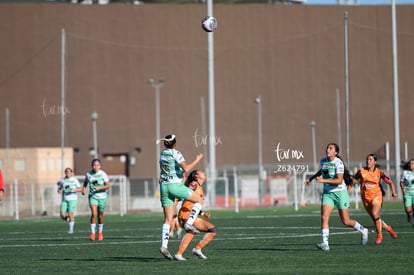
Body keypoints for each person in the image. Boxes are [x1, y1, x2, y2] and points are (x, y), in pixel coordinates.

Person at [304, 143, 368, 251]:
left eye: (330, 148)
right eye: (327, 147)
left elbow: (338, 181)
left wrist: (323, 180)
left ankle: (363, 230)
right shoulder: (323, 161)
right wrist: (311, 178)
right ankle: (325, 244)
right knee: (324, 216)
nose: (327, 149)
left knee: (346, 221)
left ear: (336, 152)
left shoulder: (339, 163)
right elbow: (322, 171)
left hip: (340, 193)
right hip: (328, 193)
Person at [157, 134, 204, 260]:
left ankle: (164, 246)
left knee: (168, 219)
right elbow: (186, 168)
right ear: (175, 144)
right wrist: (197, 160)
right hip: (174, 186)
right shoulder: (175, 153)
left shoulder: (162, 154)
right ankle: (189, 223)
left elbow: (167, 169)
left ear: (165, 144)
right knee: (199, 199)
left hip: (164, 187)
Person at [352, 154, 397, 245]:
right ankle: (388, 228)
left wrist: (393, 192)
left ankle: (379, 235)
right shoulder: (361, 171)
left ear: (375, 162)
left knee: (375, 213)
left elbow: (390, 182)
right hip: (365, 199)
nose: (368, 161)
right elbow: (353, 181)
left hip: (377, 196)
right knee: (375, 218)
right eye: (367, 159)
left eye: (370, 159)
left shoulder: (379, 173)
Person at [174, 170, 216, 261]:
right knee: (192, 231)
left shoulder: (199, 187)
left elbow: (193, 204)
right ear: (196, 176)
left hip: (191, 215)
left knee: (212, 230)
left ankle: (197, 249)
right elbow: (185, 195)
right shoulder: (193, 184)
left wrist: (202, 213)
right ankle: (179, 253)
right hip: (185, 214)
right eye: (201, 172)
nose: (204, 172)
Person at [82, 159, 110, 241]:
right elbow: (85, 182)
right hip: (92, 196)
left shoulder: (103, 174)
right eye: (94, 165)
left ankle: (100, 232)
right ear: (91, 166)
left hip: (102, 197)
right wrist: (83, 188)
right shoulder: (88, 174)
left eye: (97, 165)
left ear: (100, 166)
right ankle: (93, 233)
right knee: (94, 214)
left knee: (100, 216)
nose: (96, 167)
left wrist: (100, 187)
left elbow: (108, 185)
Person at [57, 167, 83, 234]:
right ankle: (68, 219)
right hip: (64, 200)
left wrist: (75, 190)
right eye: (66, 172)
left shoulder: (74, 180)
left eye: (69, 172)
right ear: (65, 173)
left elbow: (81, 189)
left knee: (70, 214)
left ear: (71, 173)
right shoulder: (63, 180)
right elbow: (59, 188)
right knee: (62, 215)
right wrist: (59, 190)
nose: (68, 173)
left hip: (72, 199)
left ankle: (71, 229)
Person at [400, 159, 414, 227]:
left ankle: (413, 222)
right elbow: (401, 182)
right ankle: (409, 215)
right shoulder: (405, 173)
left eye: (413, 163)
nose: (411, 165)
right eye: (410, 163)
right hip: (407, 193)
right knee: (408, 210)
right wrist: (403, 190)